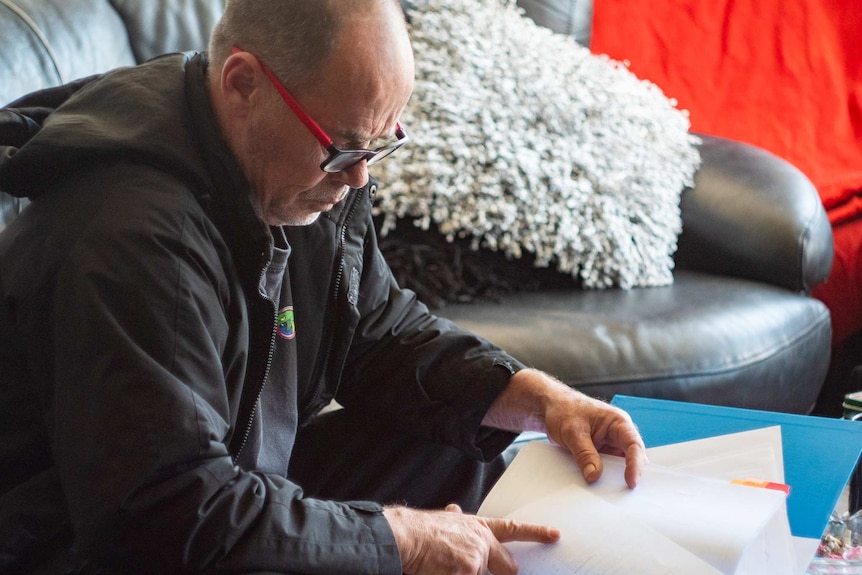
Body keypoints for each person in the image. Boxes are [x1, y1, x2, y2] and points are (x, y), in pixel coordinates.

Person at [0, 0, 646, 573]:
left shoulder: (300, 172)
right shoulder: (129, 234)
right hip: (84, 542)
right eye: (342, 149)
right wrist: (400, 540)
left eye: (379, 144)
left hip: (216, 488)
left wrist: (534, 397)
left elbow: (379, 335)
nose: (359, 178)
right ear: (243, 83)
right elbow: (165, 515)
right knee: (412, 532)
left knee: (453, 447)